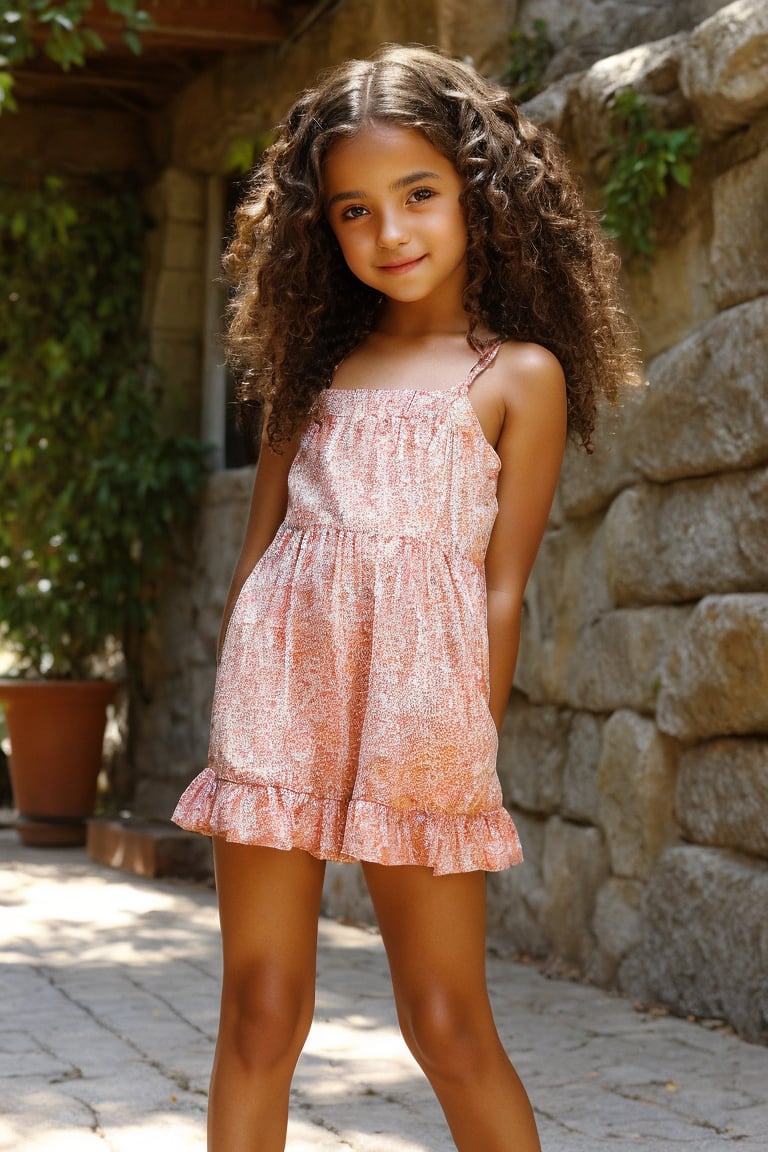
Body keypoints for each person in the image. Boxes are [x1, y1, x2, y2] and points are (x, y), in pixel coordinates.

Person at [173, 43, 638, 1152]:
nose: (390, 233)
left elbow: (502, 586)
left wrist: (464, 753)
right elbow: (260, 555)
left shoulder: (518, 375)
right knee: (259, 1015)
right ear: (318, 229)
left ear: (482, 189)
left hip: (422, 725)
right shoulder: (313, 369)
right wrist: (236, 714)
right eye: (353, 211)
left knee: (445, 1021)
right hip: (278, 701)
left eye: (418, 194)